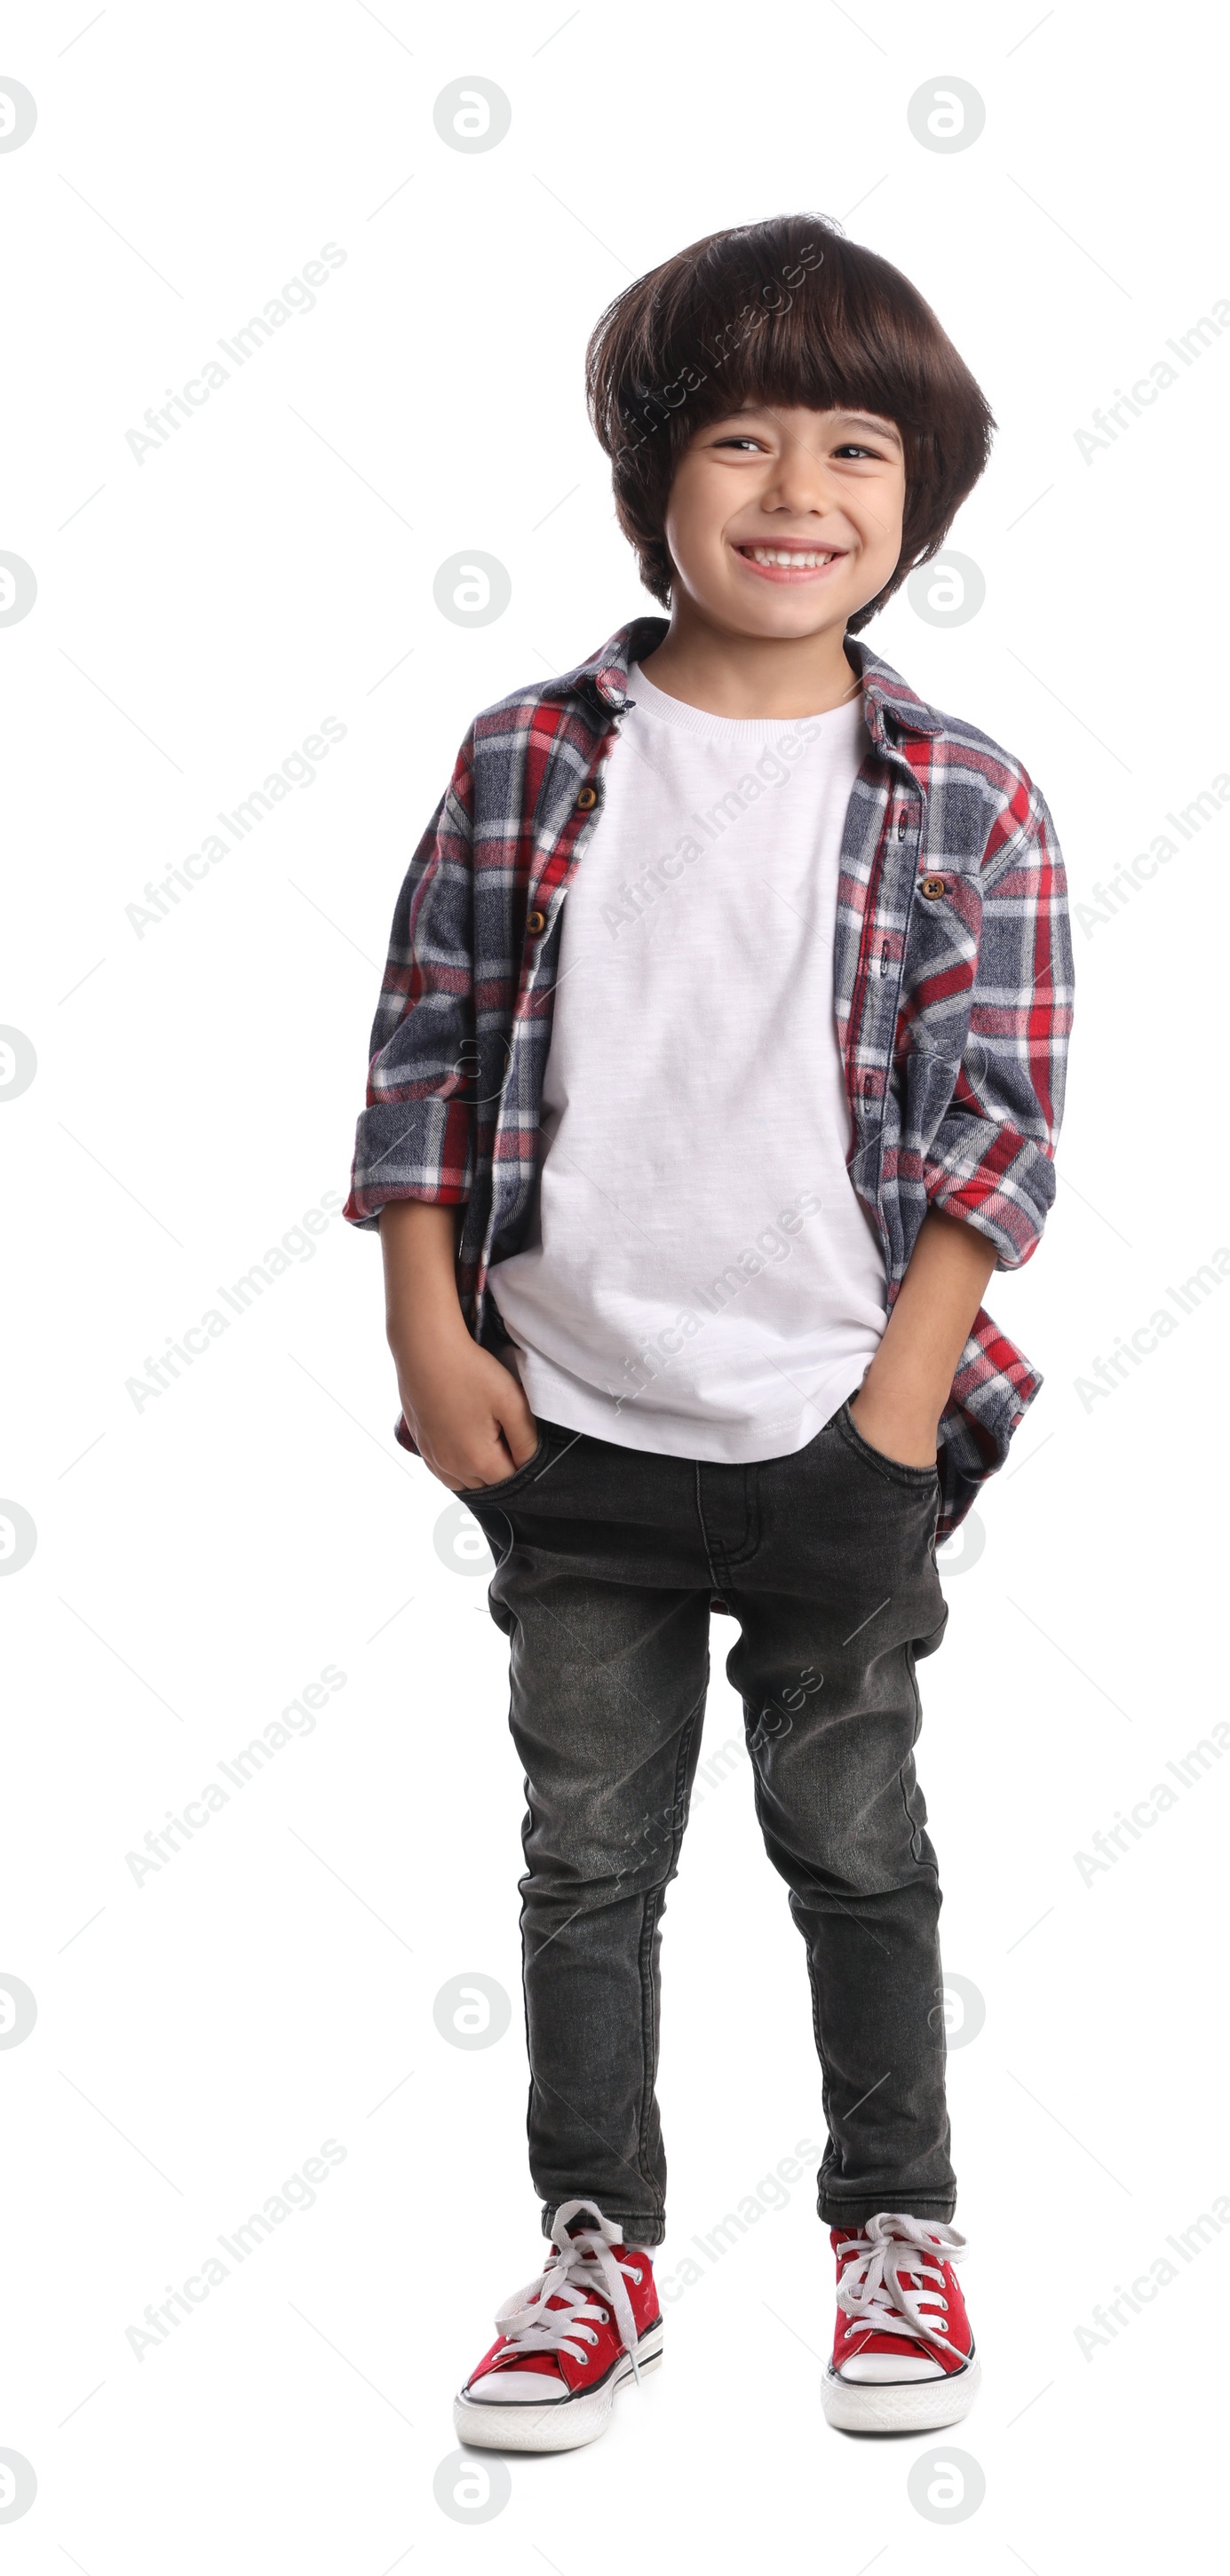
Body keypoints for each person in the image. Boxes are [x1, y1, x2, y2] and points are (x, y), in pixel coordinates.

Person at [344, 213, 1073, 2450]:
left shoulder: (961, 797)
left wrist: (887, 1414)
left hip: (839, 1440)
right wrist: (427, 1349)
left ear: (916, 504)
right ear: (654, 475)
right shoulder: (532, 757)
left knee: (855, 1834)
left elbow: (997, 1132)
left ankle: (894, 2226)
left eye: (856, 448)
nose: (795, 492)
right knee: (586, 1852)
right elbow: (422, 1058)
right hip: (567, 1421)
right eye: (739, 439)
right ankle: (595, 2247)